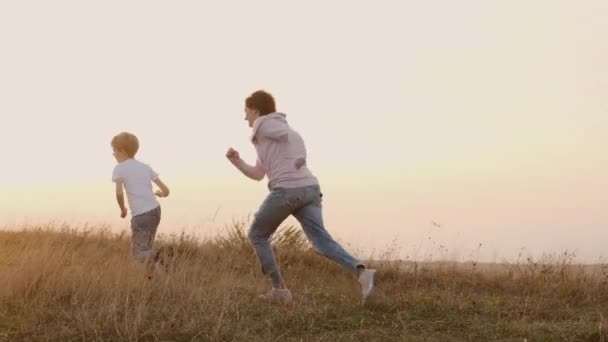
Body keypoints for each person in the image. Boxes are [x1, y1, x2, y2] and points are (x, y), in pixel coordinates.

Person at [226, 90, 376, 303]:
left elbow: (290, 137)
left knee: (258, 235)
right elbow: (258, 174)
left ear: (256, 110)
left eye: (246, 112)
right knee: (321, 241)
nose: (245, 118)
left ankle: (279, 291)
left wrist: (300, 154)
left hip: (287, 191)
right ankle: (362, 273)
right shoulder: (272, 135)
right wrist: (237, 161)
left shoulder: (265, 124)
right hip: (309, 189)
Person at [111, 132, 170, 265]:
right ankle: (152, 277)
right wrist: (160, 193)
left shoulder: (119, 169)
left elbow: (119, 193)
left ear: (122, 151)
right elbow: (166, 191)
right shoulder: (145, 167)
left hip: (141, 215)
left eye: (114, 151)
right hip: (155, 210)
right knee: (146, 247)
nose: (113, 154)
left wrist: (123, 209)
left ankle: (161, 256)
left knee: (138, 253)